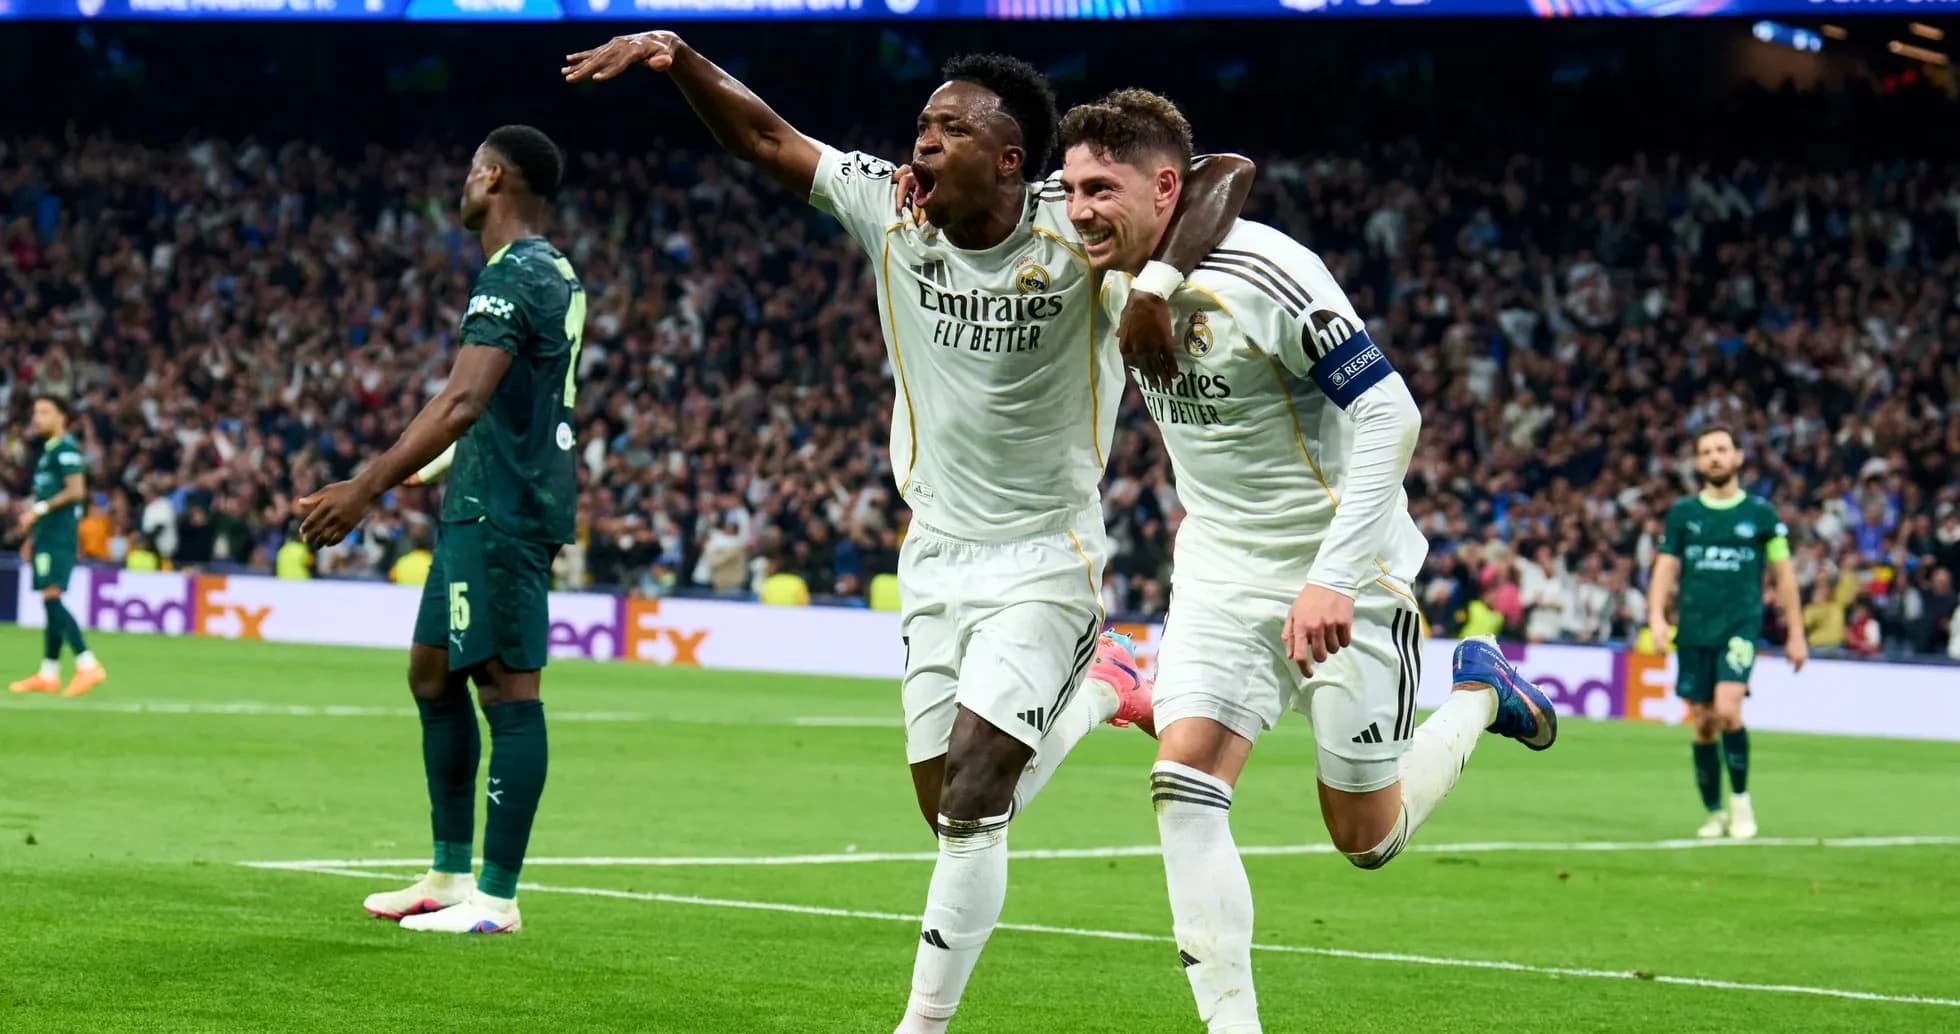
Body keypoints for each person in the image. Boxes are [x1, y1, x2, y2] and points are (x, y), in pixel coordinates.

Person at [564, 35, 1253, 1034]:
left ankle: (919, 1023)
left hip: (1044, 554)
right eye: (922, 125)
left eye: (950, 129)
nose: (921, 143)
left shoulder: (1075, 226)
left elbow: (1221, 172)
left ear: (1012, 160)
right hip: (933, 552)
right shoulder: (888, 208)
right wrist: (679, 60)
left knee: (977, 791)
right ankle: (1106, 683)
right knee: (949, 810)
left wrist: (1152, 286)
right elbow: (763, 138)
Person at [1060, 90, 1560, 1034]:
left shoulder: (1272, 271)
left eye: (1100, 189)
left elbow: (1391, 413)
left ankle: (1481, 690)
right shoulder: (1095, 248)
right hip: (1215, 567)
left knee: (1364, 840)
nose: (1077, 208)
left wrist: (1334, 574)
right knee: (1183, 784)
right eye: (1071, 187)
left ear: (1167, 187)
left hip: (1348, 572)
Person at [296, 125, 583, 935]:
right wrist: (424, 472)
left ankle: (495, 899)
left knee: (507, 689)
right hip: (479, 496)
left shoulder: (513, 274)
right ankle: (449, 874)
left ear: (492, 177)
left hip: (505, 508)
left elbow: (463, 399)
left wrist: (366, 489)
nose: (460, 185)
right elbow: (507, 402)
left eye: (467, 172)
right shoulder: (551, 268)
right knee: (432, 674)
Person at [1647, 425, 1807, 841]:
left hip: (1740, 626)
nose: (1715, 457)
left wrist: (1796, 633)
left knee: (1728, 709)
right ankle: (1714, 811)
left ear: (1738, 457)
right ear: (1698, 462)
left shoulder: (1761, 515)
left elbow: (1784, 576)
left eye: (1722, 449)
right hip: (1696, 627)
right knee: (1701, 723)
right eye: (1706, 452)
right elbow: (1665, 568)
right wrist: (1658, 618)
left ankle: (1740, 801)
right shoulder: (1683, 514)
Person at [10, 395, 106, 697]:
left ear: (62, 418)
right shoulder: (48, 452)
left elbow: (77, 491)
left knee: (52, 598)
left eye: (45, 412)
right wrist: (32, 537)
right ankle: (48, 673)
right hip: (47, 535)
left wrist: (38, 511)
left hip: (60, 536)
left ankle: (87, 663)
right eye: (35, 412)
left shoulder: (65, 450)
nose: (37, 418)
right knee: (49, 599)